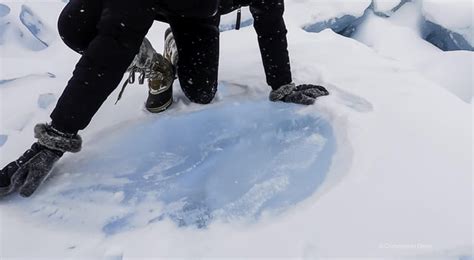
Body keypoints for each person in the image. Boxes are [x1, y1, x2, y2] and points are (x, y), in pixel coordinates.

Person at [0, 0, 329, 198]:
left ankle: (175, 46)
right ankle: (149, 62)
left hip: (196, 10)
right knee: (77, 25)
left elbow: (270, 18)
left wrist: (282, 84)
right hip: (137, 6)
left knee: (200, 93)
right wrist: (55, 138)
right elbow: (114, 41)